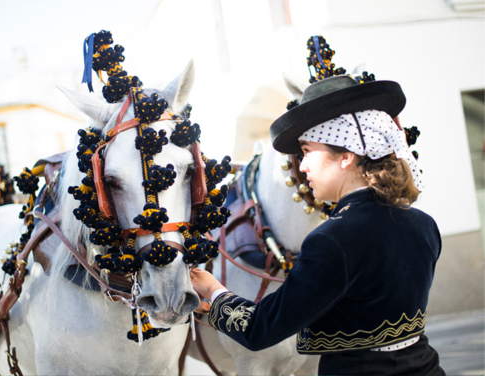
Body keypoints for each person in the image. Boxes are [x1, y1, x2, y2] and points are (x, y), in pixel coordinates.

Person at [190, 74, 445, 375]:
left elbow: (259, 329)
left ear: (346, 156)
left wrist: (213, 290)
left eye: (308, 152)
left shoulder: (332, 240)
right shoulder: (424, 224)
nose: (302, 165)